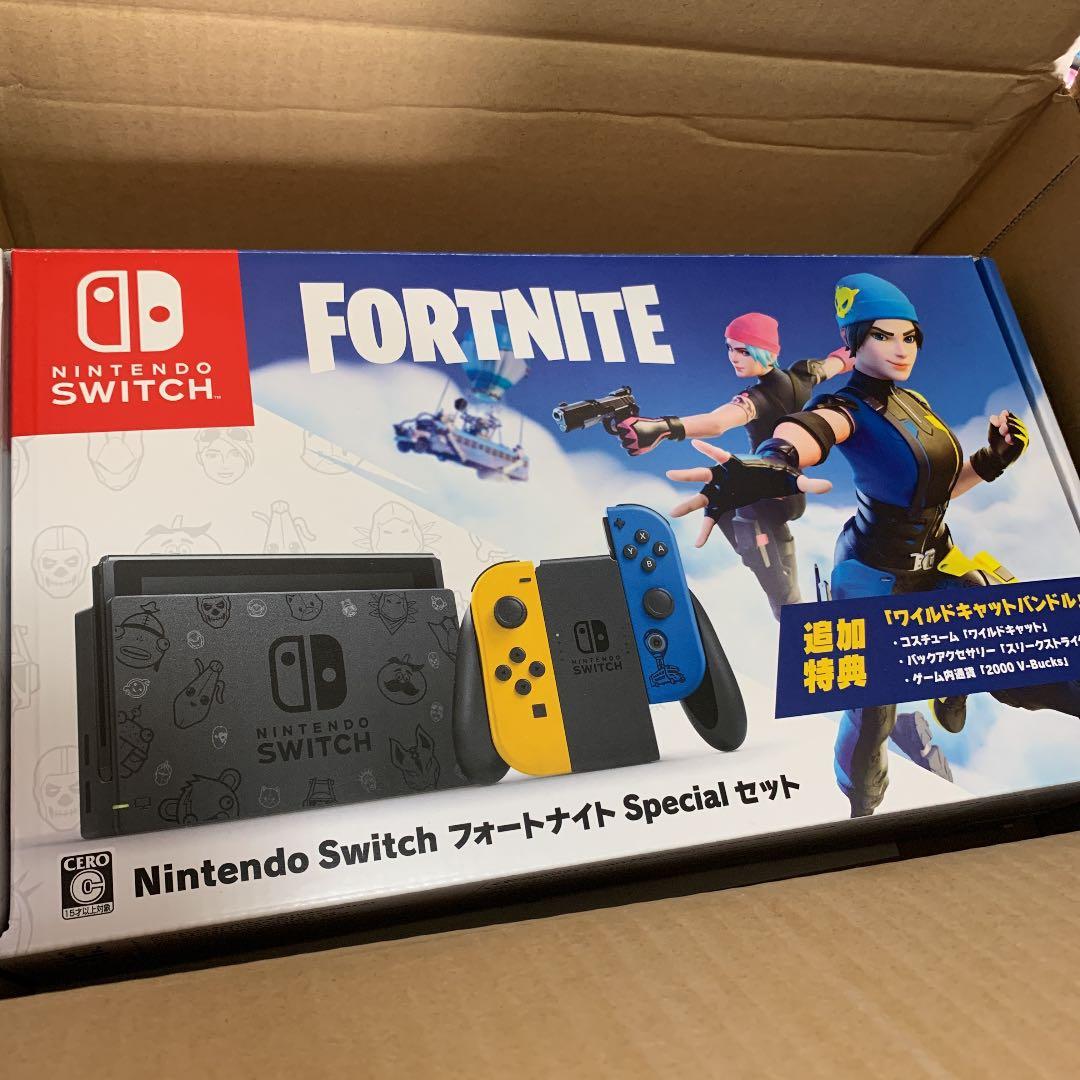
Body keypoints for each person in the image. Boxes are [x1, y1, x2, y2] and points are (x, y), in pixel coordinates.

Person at [666, 273, 1080, 816]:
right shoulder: (848, 408)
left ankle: (949, 679)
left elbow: (930, 493)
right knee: (872, 716)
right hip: (870, 581)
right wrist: (767, 464)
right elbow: (809, 431)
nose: (901, 348)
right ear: (854, 340)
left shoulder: (915, 401)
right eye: (883, 336)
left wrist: (991, 460)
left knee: (1030, 653)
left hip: (935, 562)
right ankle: (861, 814)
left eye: (909, 337)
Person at [615, 312, 849, 619]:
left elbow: (716, 423)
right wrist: (858, 350)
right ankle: (802, 611)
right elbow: (836, 362)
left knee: (780, 592)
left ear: (766, 351)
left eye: (743, 350)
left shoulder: (759, 397)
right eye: (730, 348)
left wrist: (661, 428)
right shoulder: (803, 375)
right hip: (785, 492)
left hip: (766, 497)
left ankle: (802, 618)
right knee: (780, 581)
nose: (733, 357)